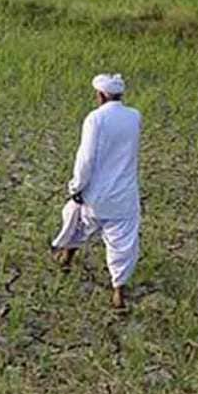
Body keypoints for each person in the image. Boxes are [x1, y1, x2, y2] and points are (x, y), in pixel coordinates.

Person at [52, 74, 142, 309]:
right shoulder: (134, 117)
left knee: (77, 220)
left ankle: (66, 258)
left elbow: (86, 157)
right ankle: (118, 292)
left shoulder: (96, 119)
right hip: (124, 194)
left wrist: (76, 186)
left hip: (97, 193)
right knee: (122, 243)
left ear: (101, 95)